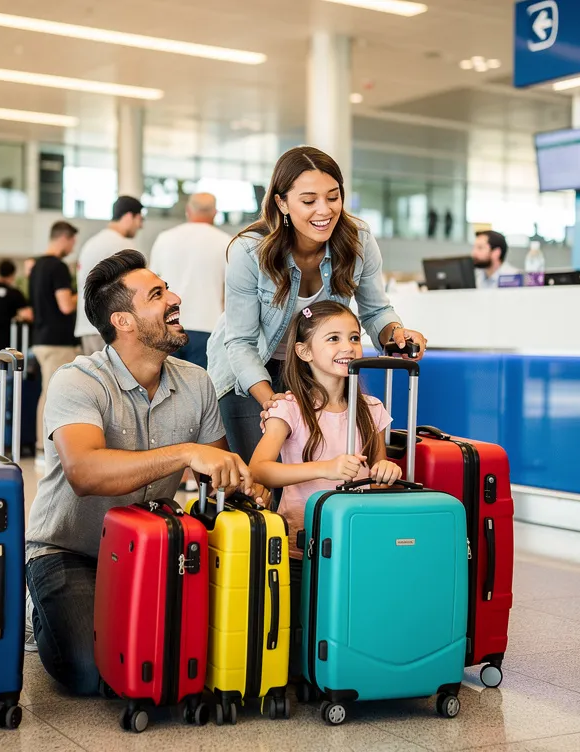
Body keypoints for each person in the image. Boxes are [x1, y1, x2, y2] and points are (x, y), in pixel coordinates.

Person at [25, 249, 262, 695]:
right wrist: (185, 453)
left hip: (153, 547)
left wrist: (249, 483)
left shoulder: (196, 382)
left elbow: (219, 472)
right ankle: (37, 609)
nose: (174, 298)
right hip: (71, 550)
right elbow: (85, 472)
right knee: (90, 670)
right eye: (157, 294)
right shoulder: (77, 380)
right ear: (124, 322)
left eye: (167, 287)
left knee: (190, 650)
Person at [206, 145, 426, 463]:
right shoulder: (249, 250)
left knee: (319, 470)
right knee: (262, 481)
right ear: (281, 202)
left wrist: (397, 334)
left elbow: (376, 310)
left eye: (333, 197)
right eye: (309, 201)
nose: (324, 210)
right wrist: (272, 402)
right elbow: (240, 342)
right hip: (251, 371)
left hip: (313, 370)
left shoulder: (358, 240)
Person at [249, 301, 401, 669]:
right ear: (303, 351)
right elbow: (260, 468)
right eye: (332, 339)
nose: (347, 347)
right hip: (302, 550)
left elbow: (380, 463)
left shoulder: (372, 408)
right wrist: (326, 468)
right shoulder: (288, 409)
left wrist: (386, 470)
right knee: (299, 639)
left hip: (359, 545)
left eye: (353, 337)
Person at [149, 193, 230, 370]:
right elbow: (230, 291)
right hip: (209, 326)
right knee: (203, 390)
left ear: (188, 211)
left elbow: (150, 284)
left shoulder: (165, 238)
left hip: (168, 324)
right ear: (215, 213)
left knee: (167, 389)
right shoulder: (226, 242)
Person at [28, 221, 81, 463]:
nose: (73, 246)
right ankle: (45, 448)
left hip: (40, 338)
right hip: (57, 341)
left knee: (46, 393)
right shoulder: (58, 267)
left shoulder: (37, 266)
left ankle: (42, 447)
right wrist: (85, 291)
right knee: (55, 395)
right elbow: (66, 304)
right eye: (72, 241)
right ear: (65, 238)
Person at [73, 195, 144, 354]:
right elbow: (138, 285)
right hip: (110, 328)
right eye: (140, 219)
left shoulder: (92, 243)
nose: (141, 226)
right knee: (117, 379)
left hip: (87, 327)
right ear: (128, 216)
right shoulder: (122, 244)